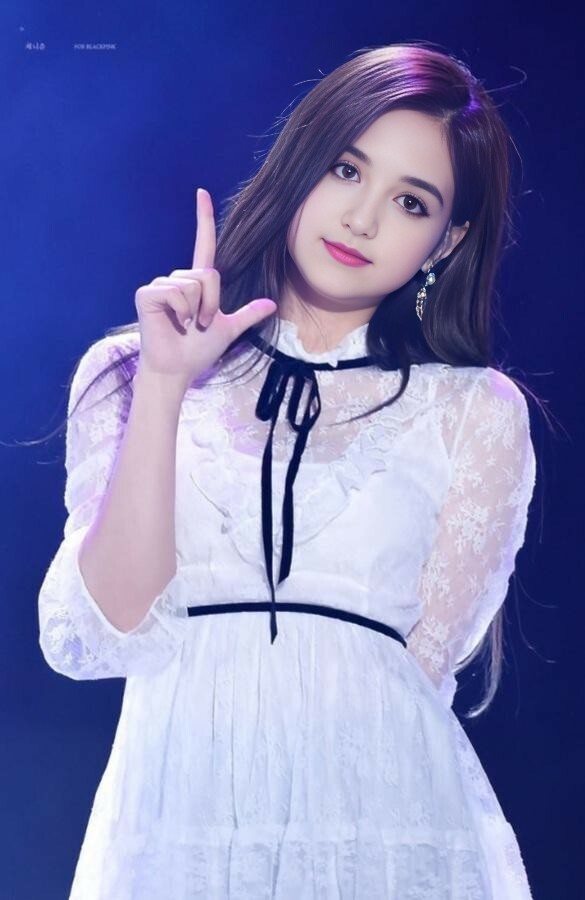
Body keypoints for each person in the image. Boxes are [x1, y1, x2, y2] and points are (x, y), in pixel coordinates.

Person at [38, 42, 538, 898]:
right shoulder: (130, 374)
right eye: (346, 169)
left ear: (444, 242)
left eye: (409, 202)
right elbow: (106, 631)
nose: (362, 218)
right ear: (302, 162)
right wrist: (165, 383)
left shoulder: (474, 412)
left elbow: (419, 672)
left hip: (384, 832)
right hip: (175, 826)